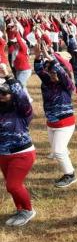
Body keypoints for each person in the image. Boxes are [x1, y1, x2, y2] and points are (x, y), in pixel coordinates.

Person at [33, 43, 77, 188]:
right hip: (51, 123)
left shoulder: (66, 85)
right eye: (50, 72)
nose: (52, 75)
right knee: (56, 149)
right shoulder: (47, 82)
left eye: (55, 73)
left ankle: (70, 175)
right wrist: (38, 56)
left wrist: (49, 57)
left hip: (65, 123)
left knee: (58, 151)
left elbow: (63, 74)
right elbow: (39, 69)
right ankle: (64, 152)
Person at [0, 64, 37, 226]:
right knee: (13, 186)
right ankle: (20, 209)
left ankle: (29, 210)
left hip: (22, 153)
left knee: (13, 185)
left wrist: (9, 77)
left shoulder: (22, 111)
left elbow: (21, 96)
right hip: (3, 154)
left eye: (5, 93)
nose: (1, 96)